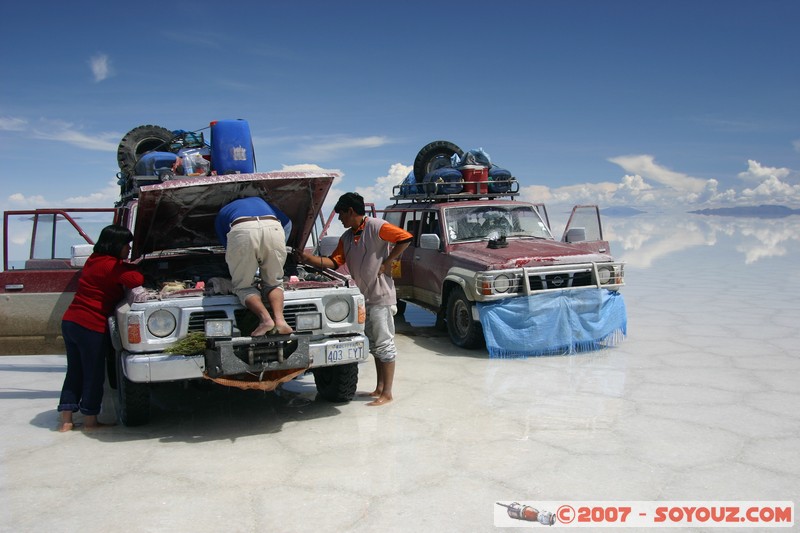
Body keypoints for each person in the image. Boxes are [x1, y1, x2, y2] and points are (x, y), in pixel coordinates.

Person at [302, 192, 411, 406]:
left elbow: (405, 238)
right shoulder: (347, 237)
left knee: (385, 344)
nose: (340, 219)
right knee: (375, 345)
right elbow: (334, 262)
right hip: (364, 297)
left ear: (350, 211)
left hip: (380, 296)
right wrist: (307, 258)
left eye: (341, 215)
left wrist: (387, 261)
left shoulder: (376, 226)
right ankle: (379, 388)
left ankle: (387, 393)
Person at [58, 224, 144, 432]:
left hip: (71, 321)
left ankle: (66, 420)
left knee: (75, 371)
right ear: (116, 245)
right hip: (90, 324)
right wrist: (134, 266)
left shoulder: (93, 260)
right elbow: (136, 280)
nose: (129, 249)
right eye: (126, 244)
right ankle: (90, 421)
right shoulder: (112, 265)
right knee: (94, 373)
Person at [215, 196, 293, 337]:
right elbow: (287, 224)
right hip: (274, 228)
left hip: (242, 230)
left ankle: (266, 320)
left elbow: (228, 246)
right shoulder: (261, 201)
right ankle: (281, 321)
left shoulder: (223, 212)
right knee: (274, 282)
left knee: (243, 286)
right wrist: (279, 248)